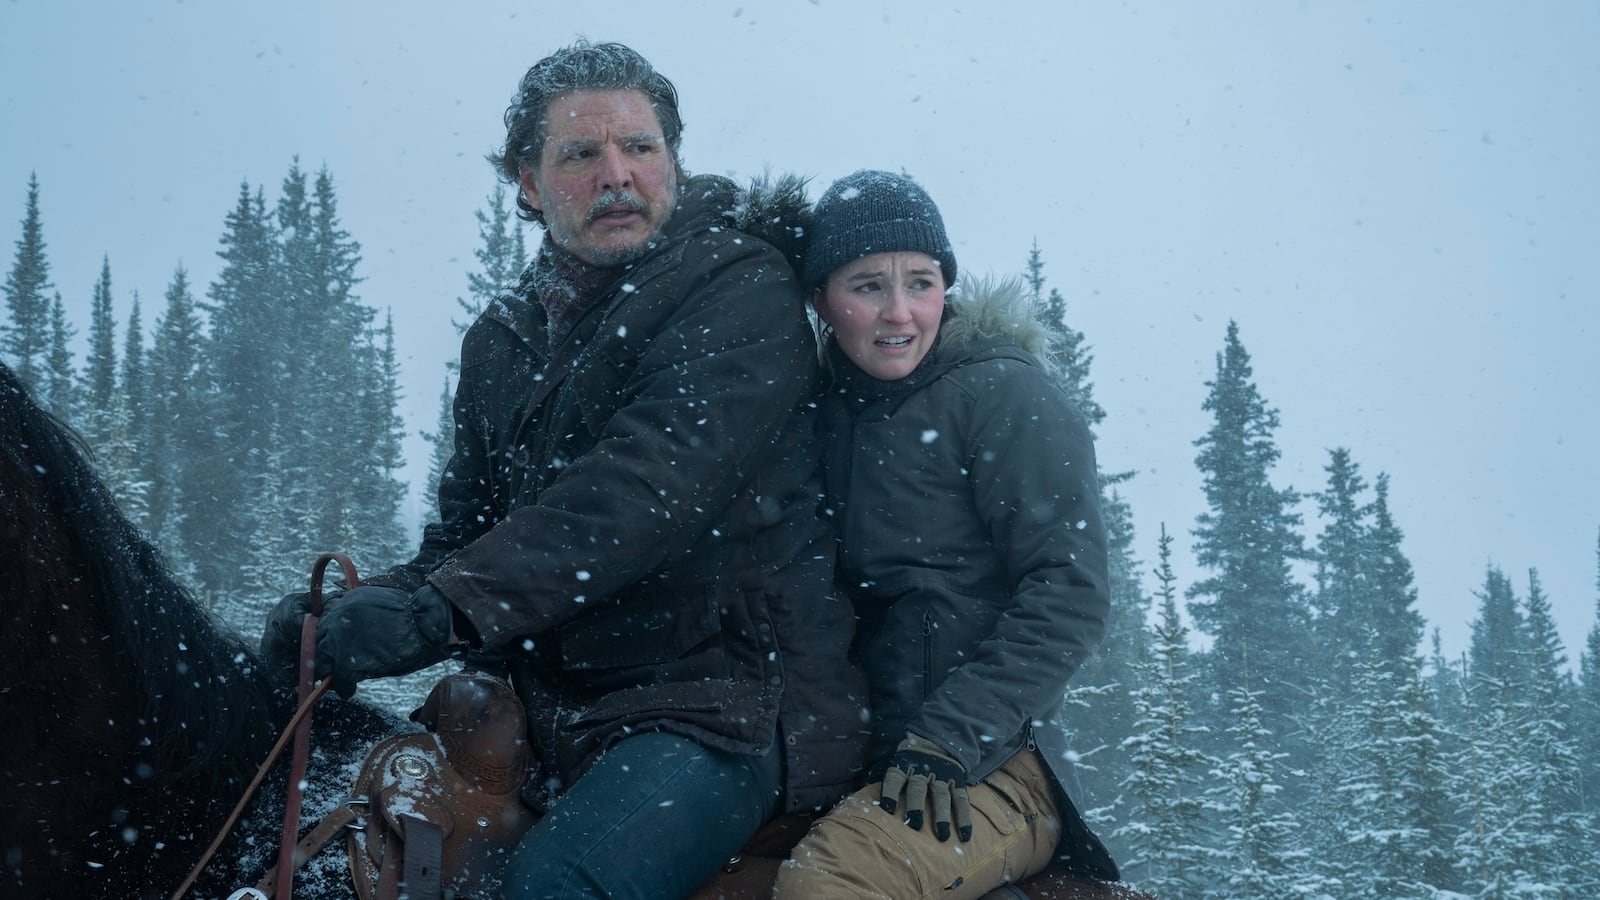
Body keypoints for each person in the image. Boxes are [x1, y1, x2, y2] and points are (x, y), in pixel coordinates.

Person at [262, 40, 865, 899]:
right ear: (528, 183)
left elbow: (641, 490)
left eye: (640, 147)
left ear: (673, 162)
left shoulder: (740, 287)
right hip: (550, 709)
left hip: (721, 707)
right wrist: (357, 612)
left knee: (555, 885)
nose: (617, 175)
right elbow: (469, 534)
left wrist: (441, 613)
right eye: (581, 154)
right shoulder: (503, 338)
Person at [772, 170, 1121, 898]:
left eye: (921, 283)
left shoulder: (1002, 392)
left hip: (993, 763)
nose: (899, 312)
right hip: (867, 758)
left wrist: (949, 736)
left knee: (825, 884)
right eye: (868, 286)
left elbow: (1070, 590)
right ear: (820, 301)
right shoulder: (818, 413)